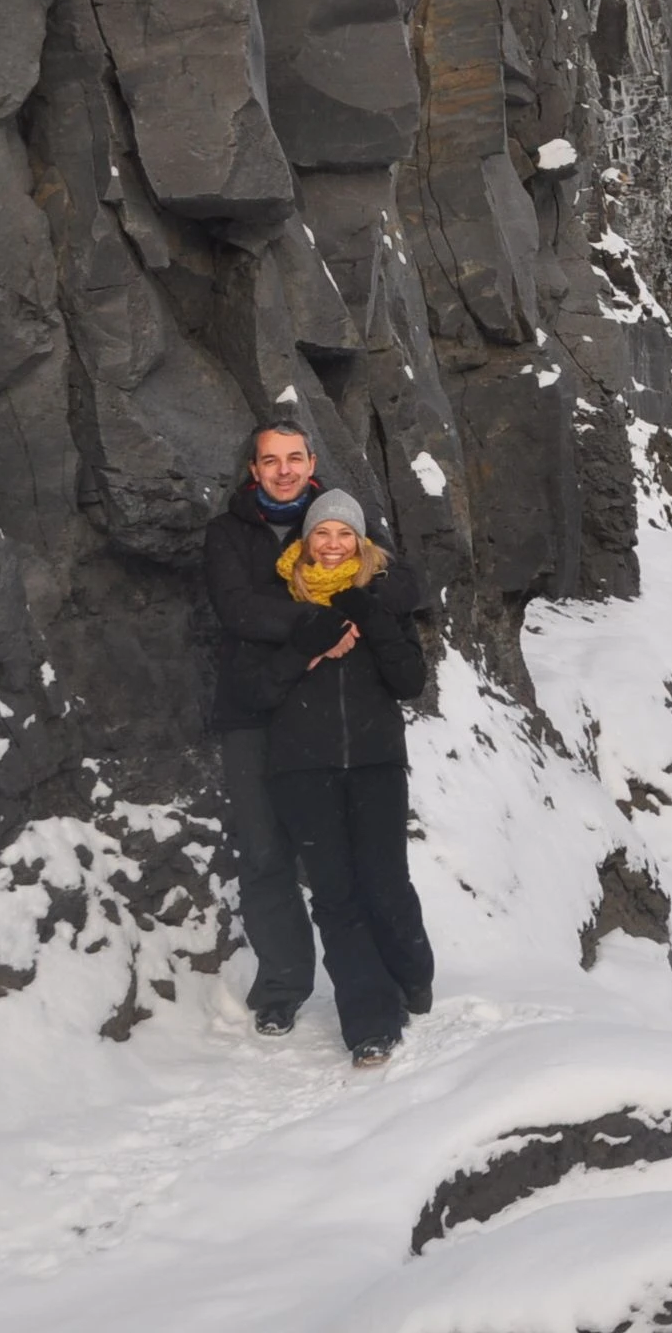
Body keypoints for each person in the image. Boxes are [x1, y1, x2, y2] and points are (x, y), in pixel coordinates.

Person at [261, 489, 437, 1067]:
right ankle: (370, 1022)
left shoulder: (383, 599)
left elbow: (410, 680)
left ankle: (413, 974)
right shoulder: (281, 605)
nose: (332, 546)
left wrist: (371, 616)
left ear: (361, 544)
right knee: (335, 897)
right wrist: (306, 652)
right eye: (321, 534)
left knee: (386, 882)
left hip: (376, 764)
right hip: (302, 770)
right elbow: (254, 689)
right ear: (305, 541)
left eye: (344, 535)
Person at [199, 422, 328, 1037]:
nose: (283, 470)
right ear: (253, 470)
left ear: (311, 462)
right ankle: (281, 987)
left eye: (294, 458)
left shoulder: (336, 524)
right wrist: (319, 623)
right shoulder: (227, 534)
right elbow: (238, 610)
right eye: (270, 461)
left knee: (338, 852)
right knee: (264, 852)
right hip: (248, 710)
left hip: (327, 707)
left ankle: (369, 979)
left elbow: (388, 585)